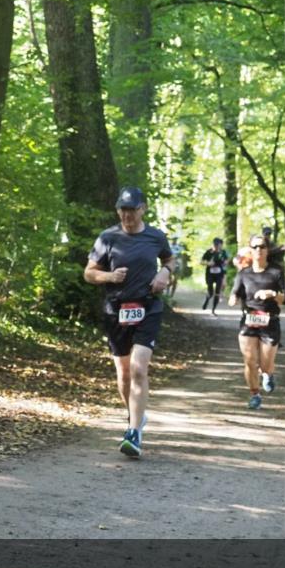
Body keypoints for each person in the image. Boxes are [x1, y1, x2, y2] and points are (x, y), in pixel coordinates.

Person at [84, 186, 175, 459]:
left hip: (148, 307)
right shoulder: (107, 237)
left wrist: (165, 274)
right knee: (123, 374)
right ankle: (135, 416)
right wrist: (109, 277)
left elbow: (170, 259)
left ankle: (134, 432)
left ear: (143, 209)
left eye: (132, 210)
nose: (127, 215)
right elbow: (89, 273)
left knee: (138, 369)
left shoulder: (155, 237)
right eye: (122, 210)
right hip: (116, 310)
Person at [228, 232, 285, 410]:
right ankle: (254, 394)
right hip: (249, 321)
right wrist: (233, 298)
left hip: (270, 322)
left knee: (265, 364)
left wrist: (273, 294)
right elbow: (235, 292)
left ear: (267, 250)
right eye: (254, 247)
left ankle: (268, 374)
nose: (258, 250)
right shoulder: (244, 274)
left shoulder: (276, 273)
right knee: (249, 360)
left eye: (262, 246)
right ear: (250, 250)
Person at [201, 237, 231, 315]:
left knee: (217, 292)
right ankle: (207, 299)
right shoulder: (209, 252)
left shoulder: (223, 252)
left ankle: (213, 310)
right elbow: (201, 261)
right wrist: (208, 263)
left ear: (221, 245)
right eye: (215, 245)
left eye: (219, 245)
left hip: (219, 274)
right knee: (210, 291)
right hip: (209, 274)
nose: (217, 246)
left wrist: (225, 262)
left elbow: (227, 260)